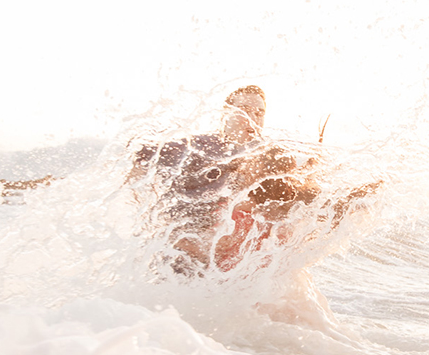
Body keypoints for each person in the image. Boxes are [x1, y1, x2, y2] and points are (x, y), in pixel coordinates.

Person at [129, 86, 330, 273]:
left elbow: (288, 191)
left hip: (225, 244)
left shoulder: (266, 154)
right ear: (226, 114)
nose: (252, 118)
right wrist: (146, 210)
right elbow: (141, 154)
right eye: (244, 110)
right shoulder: (199, 146)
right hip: (182, 243)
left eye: (259, 113)